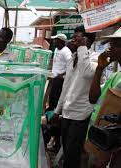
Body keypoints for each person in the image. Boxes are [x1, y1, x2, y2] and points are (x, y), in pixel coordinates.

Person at [52, 26, 96, 168]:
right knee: (67, 151)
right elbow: (66, 87)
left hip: (80, 114)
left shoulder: (94, 58)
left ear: (87, 40)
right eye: (74, 38)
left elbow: (86, 73)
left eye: (78, 38)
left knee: (72, 154)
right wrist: (57, 111)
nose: (74, 41)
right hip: (67, 113)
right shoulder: (73, 58)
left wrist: (82, 47)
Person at [89, 27, 121, 115]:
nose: (110, 48)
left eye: (115, 45)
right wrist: (99, 69)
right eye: (110, 44)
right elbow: (93, 98)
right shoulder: (115, 76)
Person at [46, 34, 72, 111]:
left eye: (56, 40)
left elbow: (70, 65)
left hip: (60, 79)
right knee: (51, 96)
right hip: (54, 76)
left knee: (56, 96)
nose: (54, 42)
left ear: (61, 41)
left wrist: (62, 74)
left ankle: (55, 112)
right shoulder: (57, 49)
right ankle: (50, 110)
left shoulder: (66, 51)